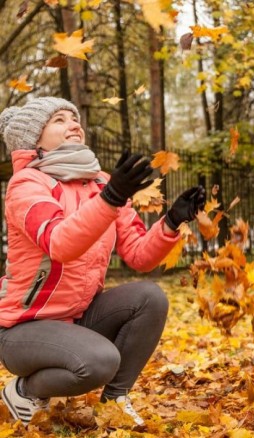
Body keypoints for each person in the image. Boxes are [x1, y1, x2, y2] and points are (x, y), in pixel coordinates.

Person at [0, 96, 206, 426]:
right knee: (98, 362)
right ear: (34, 139)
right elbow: (59, 242)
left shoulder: (101, 182)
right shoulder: (27, 184)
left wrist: (171, 221)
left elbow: (139, 256)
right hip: (25, 328)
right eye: (59, 120)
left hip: (78, 318)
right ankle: (24, 389)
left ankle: (114, 401)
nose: (73, 123)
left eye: (75, 118)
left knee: (150, 298)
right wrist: (110, 199)